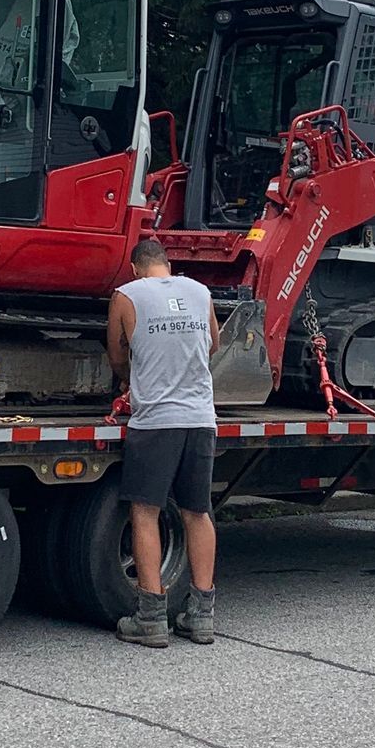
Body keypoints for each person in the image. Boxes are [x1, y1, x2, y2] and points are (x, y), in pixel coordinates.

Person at [105, 238, 220, 647]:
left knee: (146, 512)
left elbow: (117, 355)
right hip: (200, 418)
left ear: (136, 268)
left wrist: (128, 377)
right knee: (197, 512)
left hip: (155, 422)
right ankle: (201, 616)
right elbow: (213, 345)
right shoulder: (199, 291)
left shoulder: (126, 295)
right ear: (167, 265)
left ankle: (151, 617)